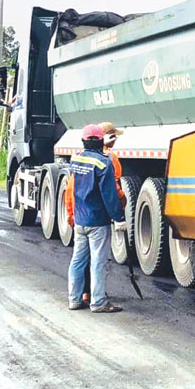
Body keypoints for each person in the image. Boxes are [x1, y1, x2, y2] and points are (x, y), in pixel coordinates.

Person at [67, 123, 125, 314]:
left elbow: (71, 189)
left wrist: (71, 214)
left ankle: (74, 300)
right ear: (101, 140)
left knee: (78, 260)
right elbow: (109, 195)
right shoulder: (104, 163)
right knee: (98, 262)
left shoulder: (75, 159)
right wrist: (119, 217)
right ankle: (98, 302)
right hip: (98, 221)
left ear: (83, 141)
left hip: (80, 220)